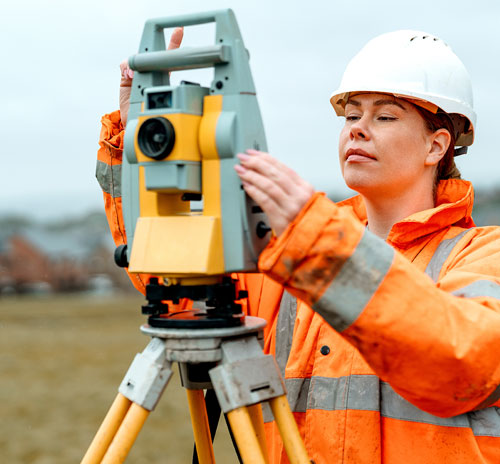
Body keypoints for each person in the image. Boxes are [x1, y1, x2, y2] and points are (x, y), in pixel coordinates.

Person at [97, 29, 500, 463]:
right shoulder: (292, 256)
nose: (359, 130)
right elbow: (172, 277)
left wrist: (314, 239)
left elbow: (462, 362)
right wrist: (144, 145)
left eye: (384, 117)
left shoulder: (480, 255)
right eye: (351, 116)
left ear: (436, 145)